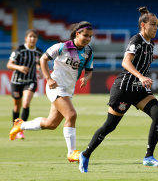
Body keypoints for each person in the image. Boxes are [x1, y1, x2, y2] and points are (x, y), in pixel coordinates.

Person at [78, 6, 158, 173]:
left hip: (139, 89)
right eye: (153, 24)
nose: (156, 28)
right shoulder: (136, 40)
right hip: (124, 88)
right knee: (110, 126)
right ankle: (86, 154)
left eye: (157, 25)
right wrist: (141, 77)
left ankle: (148, 157)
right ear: (143, 25)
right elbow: (125, 63)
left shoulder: (151, 44)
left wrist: (142, 80)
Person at [9, 21, 94, 162]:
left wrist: (86, 77)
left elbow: (90, 71)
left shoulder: (88, 52)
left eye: (90, 36)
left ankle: (20, 124)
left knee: (51, 124)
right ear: (77, 33)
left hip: (68, 90)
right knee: (71, 115)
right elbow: (43, 59)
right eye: (85, 35)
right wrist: (48, 78)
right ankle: (72, 153)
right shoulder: (62, 47)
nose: (88, 39)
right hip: (56, 86)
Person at [7, 29, 43, 140]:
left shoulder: (39, 52)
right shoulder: (19, 50)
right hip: (17, 81)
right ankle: (15, 126)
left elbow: (38, 64)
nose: (32, 39)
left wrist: (40, 70)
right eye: (30, 36)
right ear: (26, 38)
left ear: (37, 39)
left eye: (34, 37)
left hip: (30, 80)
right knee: (17, 106)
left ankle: (21, 130)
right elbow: (9, 64)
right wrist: (19, 67)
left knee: (26, 103)